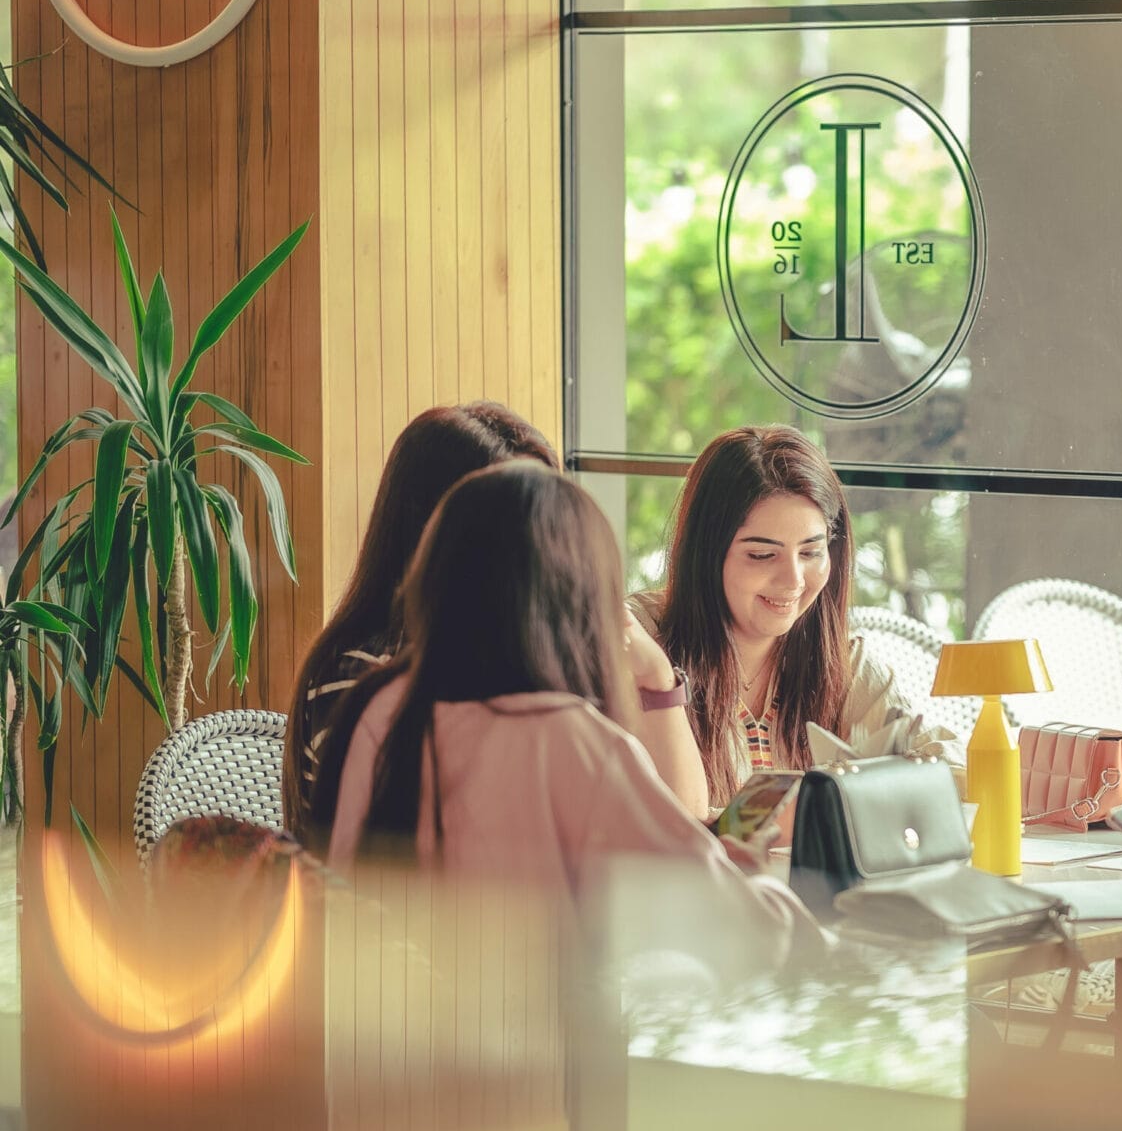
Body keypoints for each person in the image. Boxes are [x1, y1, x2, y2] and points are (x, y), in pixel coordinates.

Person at [308, 461, 814, 963]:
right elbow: (742, 927)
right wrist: (748, 876)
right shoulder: (568, 738)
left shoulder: (376, 703)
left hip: (373, 1026)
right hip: (530, 1034)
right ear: (584, 597)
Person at [633, 425, 954, 812]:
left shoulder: (842, 661)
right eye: (762, 555)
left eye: (810, 553)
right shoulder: (640, 639)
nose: (794, 581)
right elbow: (655, 818)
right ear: (705, 554)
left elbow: (947, 765)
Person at [283, 402, 560, 841]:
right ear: (434, 528)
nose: (545, 545)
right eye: (514, 522)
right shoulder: (359, 677)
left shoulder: (502, 657)